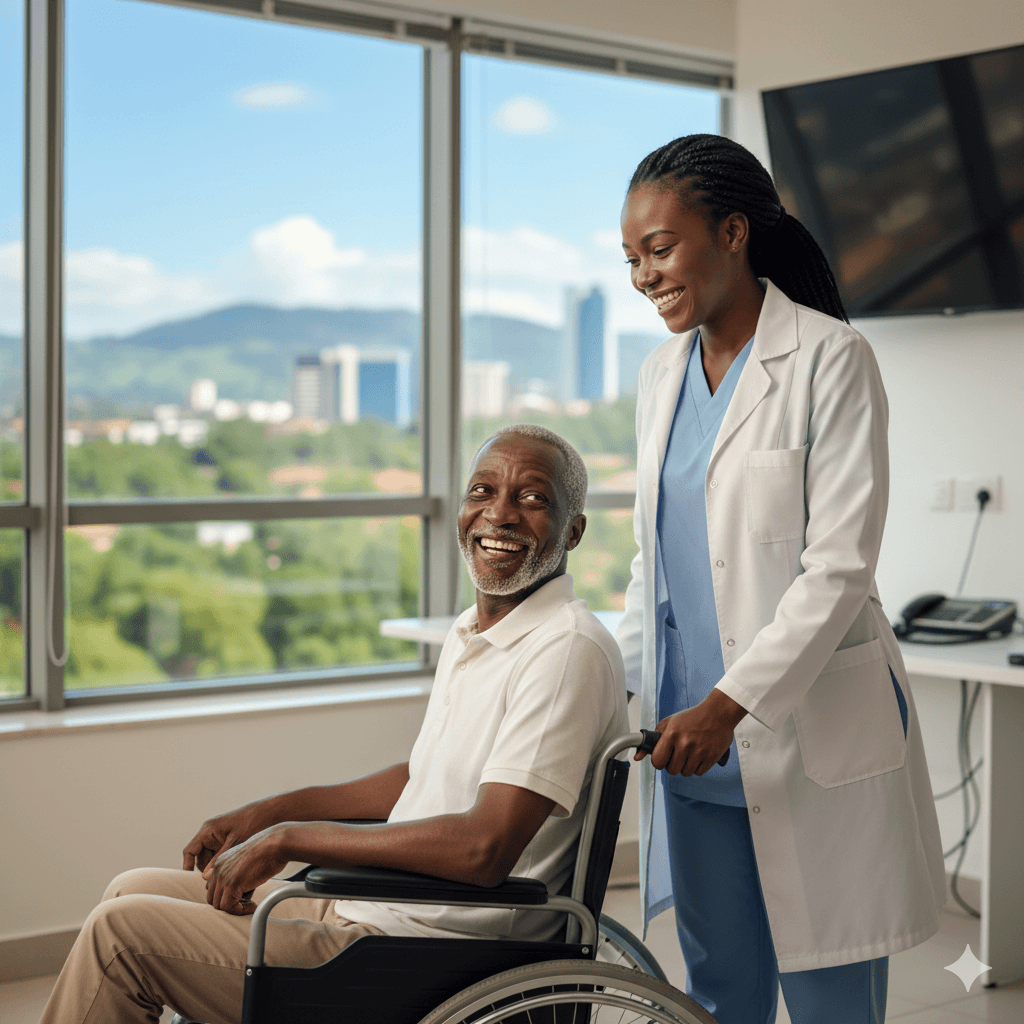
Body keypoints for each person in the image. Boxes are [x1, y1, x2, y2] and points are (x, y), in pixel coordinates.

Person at [40, 424, 628, 1024]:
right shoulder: (474, 631)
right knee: (131, 888)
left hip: (432, 950)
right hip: (375, 907)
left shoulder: (565, 650)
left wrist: (291, 838)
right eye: (482, 491)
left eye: (532, 498)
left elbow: (485, 848)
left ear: (573, 531)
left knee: (121, 936)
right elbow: (424, 779)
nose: (498, 514)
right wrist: (268, 814)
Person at [615, 134, 945, 1024]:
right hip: (688, 745)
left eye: (660, 248)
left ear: (733, 232)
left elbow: (838, 568)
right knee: (719, 995)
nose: (645, 276)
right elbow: (655, 567)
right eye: (631, 259)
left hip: (797, 733)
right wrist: (611, 687)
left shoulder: (832, 358)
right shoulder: (659, 375)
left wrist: (729, 705)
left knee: (833, 1001)